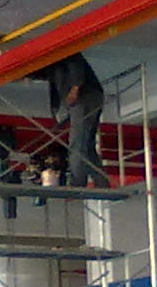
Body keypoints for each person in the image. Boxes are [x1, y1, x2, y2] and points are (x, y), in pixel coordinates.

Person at [41, 53, 110, 188]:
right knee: (86, 146)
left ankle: (78, 183)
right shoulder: (54, 65)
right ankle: (101, 183)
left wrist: (75, 89)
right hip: (89, 97)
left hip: (83, 97)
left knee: (77, 144)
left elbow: (75, 64)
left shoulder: (64, 53)